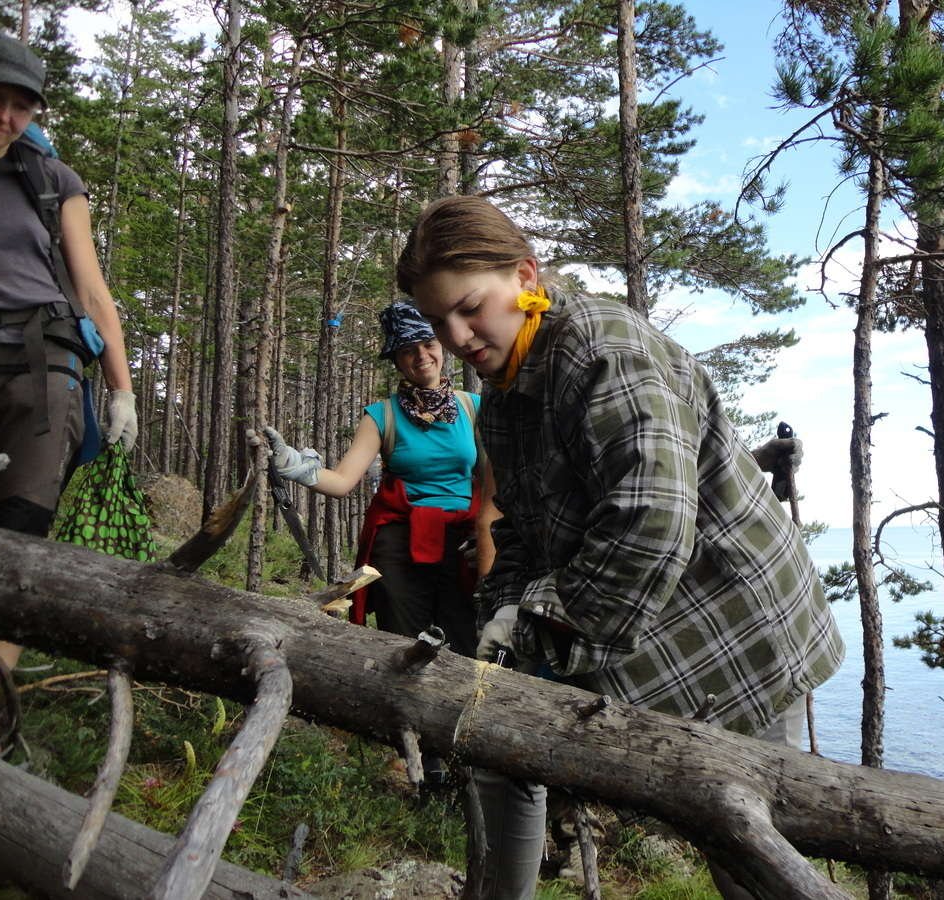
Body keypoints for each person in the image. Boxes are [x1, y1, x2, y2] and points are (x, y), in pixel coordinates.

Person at [396, 195, 846, 900]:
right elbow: (522, 528)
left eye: (470, 307)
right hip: (637, 619)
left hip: (733, 630)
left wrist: (535, 629)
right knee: (499, 746)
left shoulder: (604, 351)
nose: (455, 336)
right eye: (438, 320)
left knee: (741, 834)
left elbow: (651, 526)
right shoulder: (509, 390)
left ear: (525, 274)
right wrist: (500, 617)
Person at [263, 302, 496, 783]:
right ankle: (413, 758)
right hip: (401, 544)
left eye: (428, 344)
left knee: (464, 639)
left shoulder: (474, 408)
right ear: (396, 362)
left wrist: (488, 537)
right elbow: (343, 480)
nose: (421, 356)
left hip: (461, 544)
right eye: (408, 351)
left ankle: (462, 758)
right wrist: (294, 465)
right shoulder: (382, 415)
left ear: (443, 348)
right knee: (405, 643)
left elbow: (493, 482)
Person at [0, 33, 136, 696]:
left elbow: (91, 290)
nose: (5, 115)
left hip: (41, 364)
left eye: (21, 105)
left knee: (19, 530)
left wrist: (120, 390)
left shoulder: (51, 181)